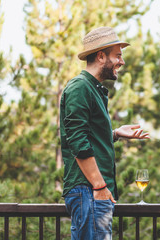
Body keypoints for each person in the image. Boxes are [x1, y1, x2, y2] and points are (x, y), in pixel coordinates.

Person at [60, 26, 149, 240]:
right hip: (88, 190)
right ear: (101, 56)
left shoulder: (93, 89)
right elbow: (78, 142)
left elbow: (88, 135)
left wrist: (115, 134)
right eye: (117, 55)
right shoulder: (80, 87)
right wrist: (99, 186)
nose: (122, 61)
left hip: (92, 192)